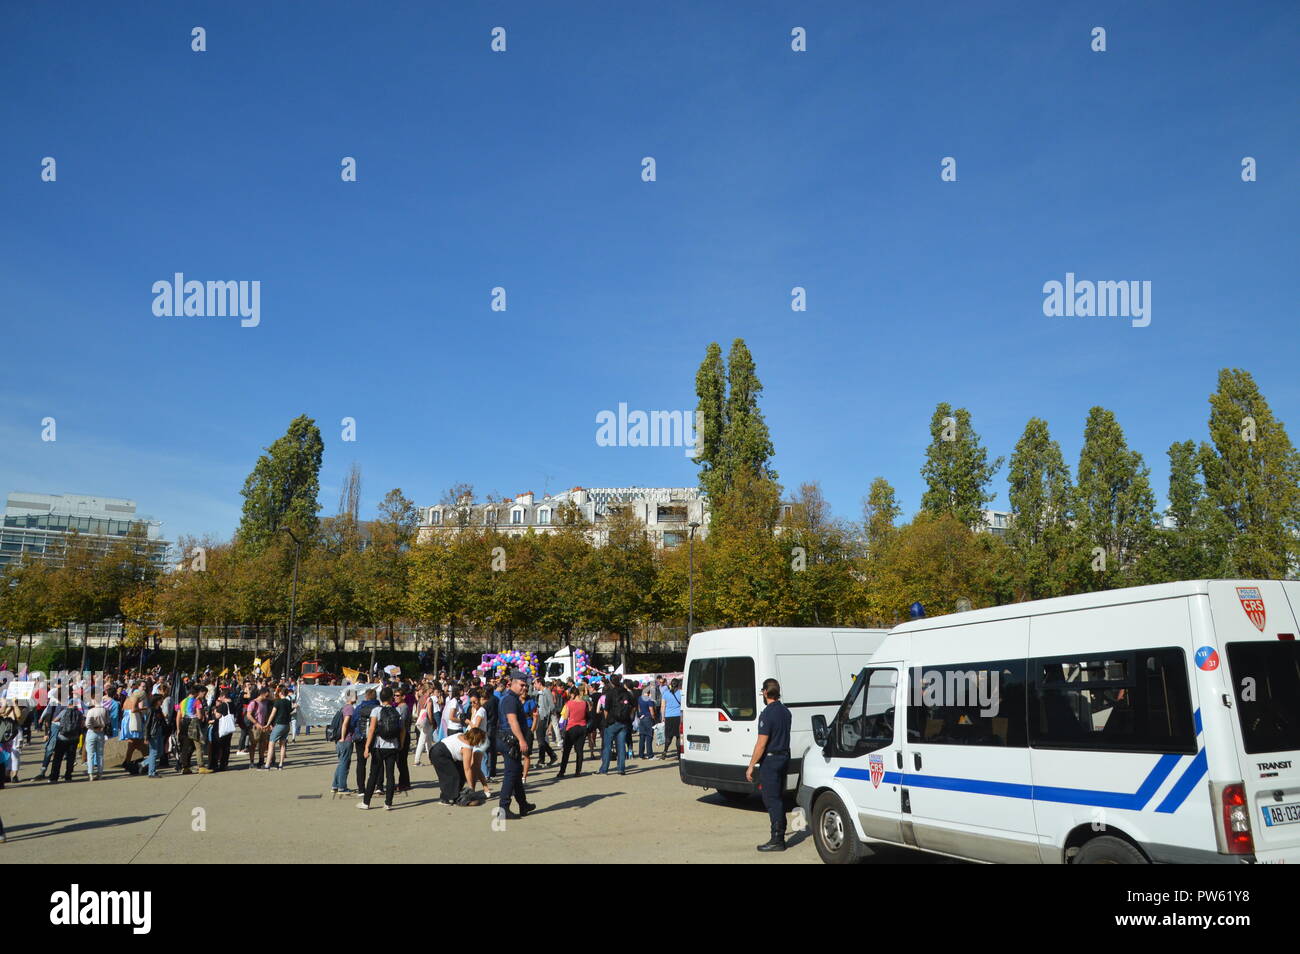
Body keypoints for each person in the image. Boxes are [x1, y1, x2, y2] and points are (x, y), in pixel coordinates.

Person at [746, 678, 792, 853]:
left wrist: (751, 765)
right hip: (784, 757)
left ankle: (777, 839)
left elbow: (761, 744)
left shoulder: (767, 714)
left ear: (765, 692)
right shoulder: (786, 712)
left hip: (771, 761)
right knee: (778, 797)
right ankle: (780, 832)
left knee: (771, 799)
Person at [494, 670, 535, 819]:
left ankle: (523, 804)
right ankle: (503, 809)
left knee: (516, 773)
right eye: (522, 685)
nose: (525, 688)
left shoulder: (512, 698)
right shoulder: (510, 699)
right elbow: (512, 721)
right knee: (511, 775)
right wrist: (522, 740)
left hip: (509, 740)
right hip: (510, 740)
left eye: (526, 685)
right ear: (513, 683)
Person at [358, 687, 404, 811]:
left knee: (373, 774)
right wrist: (401, 743)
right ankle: (388, 803)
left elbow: (372, 729)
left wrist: (367, 746)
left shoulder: (376, 711)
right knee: (390, 774)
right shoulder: (397, 710)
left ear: (380, 698)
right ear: (391, 698)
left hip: (379, 746)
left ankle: (366, 802)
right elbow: (402, 730)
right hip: (393, 746)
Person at [430, 726, 489, 803]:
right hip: (439, 754)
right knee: (452, 776)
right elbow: (467, 769)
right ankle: (446, 799)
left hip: (438, 749)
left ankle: (456, 794)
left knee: (460, 773)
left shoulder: (461, 734)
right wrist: (471, 787)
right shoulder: (467, 747)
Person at [599, 675, 635, 775]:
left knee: (607, 746)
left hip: (612, 721)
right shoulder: (626, 693)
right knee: (621, 745)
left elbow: (606, 709)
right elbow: (634, 706)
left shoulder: (610, 693)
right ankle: (621, 768)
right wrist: (630, 717)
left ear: (611, 682)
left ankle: (604, 768)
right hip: (624, 722)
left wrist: (606, 721)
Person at [556, 686, 588, 778]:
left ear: (573, 694)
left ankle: (562, 771)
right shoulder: (584, 703)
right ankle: (578, 771)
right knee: (579, 751)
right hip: (582, 727)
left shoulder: (569, 703)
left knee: (567, 751)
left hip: (572, 728)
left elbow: (565, 717)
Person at [352, 688, 379, 794]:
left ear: (366, 697)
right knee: (377, 763)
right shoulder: (378, 707)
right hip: (375, 737)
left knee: (361, 763)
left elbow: (353, 722)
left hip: (361, 737)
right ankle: (378, 786)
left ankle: (361, 788)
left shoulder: (359, 708)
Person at [177, 684, 208, 774]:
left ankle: (185, 767)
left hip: (184, 724)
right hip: (193, 724)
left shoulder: (182, 702)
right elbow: (199, 716)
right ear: (197, 692)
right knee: (198, 746)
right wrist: (202, 715)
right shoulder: (196, 702)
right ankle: (201, 766)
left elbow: (178, 716)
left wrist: (178, 728)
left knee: (185, 747)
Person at [331, 691, 355, 794]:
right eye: (356, 695)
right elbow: (345, 724)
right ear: (352, 697)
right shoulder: (349, 708)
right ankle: (342, 787)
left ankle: (335, 785)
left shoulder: (343, 707)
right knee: (345, 763)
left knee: (341, 762)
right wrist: (342, 737)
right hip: (345, 739)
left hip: (340, 740)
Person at [532, 678, 557, 767]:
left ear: (539, 683)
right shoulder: (540, 692)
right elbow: (532, 694)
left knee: (540, 740)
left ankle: (542, 759)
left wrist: (548, 716)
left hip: (544, 718)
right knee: (541, 739)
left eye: (535, 683)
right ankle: (551, 756)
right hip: (539, 718)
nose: (534, 685)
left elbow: (552, 706)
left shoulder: (547, 692)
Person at [267, 686, 293, 770]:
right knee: (283, 745)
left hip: (279, 724)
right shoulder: (288, 702)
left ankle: (267, 764)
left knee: (271, 743)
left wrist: (268, 723)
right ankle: (281, 764)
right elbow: (290, 712)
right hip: (287, 725)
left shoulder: (278, 702)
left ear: (281, 693)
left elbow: (272, 714)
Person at [84, 697, 108, 780]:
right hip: (101, 732)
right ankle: (100, 773)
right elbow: (107, 721)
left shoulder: (91, 711)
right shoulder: (104, 710)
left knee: (90, 754)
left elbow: (87, 724)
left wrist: (93, 728)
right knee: (100, 754)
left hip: (91, 732)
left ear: (94, 701)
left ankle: (90, 773)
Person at [659, 678, 683, 759]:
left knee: (668, 736)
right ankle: (679, 754)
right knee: (678, 736)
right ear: (678, 684)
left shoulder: (665, 693)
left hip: (668, 717)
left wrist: (662, 717)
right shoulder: (681, 693)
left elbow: (663, 706)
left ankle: (665, 751)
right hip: (679, 717)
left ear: (671, 684)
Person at [636, 687, 657, 760]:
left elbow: (638, 708)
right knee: (649, 737)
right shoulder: (649, 700)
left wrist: (640, 714)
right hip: (648, 718)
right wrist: (654, 718)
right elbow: (651, 710)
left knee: (642, 737)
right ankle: (650, 754)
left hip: (642, 718)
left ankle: (641, 754)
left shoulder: (639, 698)